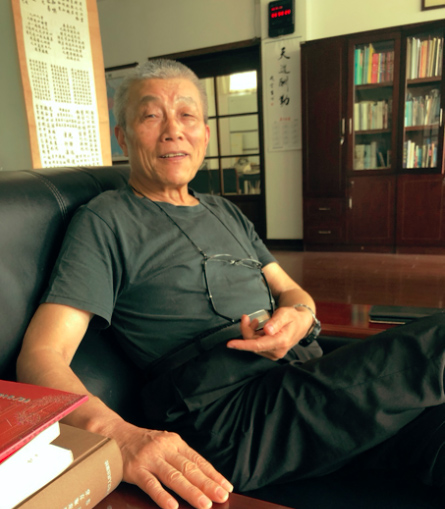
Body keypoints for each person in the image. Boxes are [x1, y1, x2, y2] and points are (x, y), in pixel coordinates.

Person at [17, 59, 445, 509]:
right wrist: (117, 436)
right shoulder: (105, 220)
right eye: (151, 115)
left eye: (186, 115)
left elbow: (290, 290)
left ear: (205, 133)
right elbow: (41, 354)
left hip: (302, 378)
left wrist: (300, 317)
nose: (173, 131)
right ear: (123, 137)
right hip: (230, 415)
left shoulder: (225, 211)